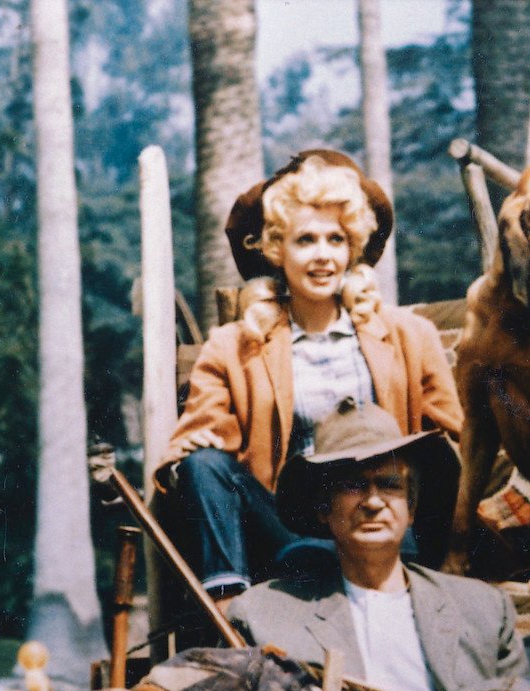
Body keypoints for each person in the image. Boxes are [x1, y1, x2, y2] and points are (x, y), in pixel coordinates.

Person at [161, 150, 463, 607]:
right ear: (278, 250)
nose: (323, 256)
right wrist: (186, 460)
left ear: (352, 248)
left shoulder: (409, 336)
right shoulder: (234, 345)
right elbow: (199, 451)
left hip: (385, 520)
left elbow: (455, 443)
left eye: (336, 240)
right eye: (306, 241)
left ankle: (405, 576)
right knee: (204, 464)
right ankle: (228, 614)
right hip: (287, 531)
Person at [229, 398, 524, 691]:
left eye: (389, 484)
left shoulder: (483, 610)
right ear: (323, 508)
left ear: (412, 507)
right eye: (353, 485)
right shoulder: (264, 617)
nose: (372, 502)